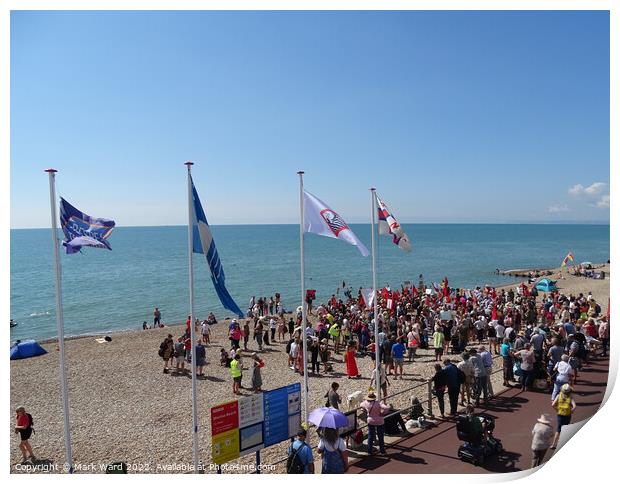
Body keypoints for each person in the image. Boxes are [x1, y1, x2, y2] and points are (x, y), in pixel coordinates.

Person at [551, 384, 576, 449]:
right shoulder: (570, 397)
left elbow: (553, 404)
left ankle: (553, 444)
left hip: (560, 414)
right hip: (567, 415)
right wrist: (572, 411)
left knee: (558, 429)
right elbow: (574, 406)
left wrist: (557, 410)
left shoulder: (559, 395)